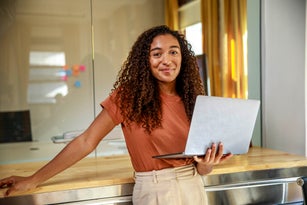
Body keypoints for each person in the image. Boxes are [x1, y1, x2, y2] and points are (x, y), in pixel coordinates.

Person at [0, 25, 233, 204]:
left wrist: (207, 164)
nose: (167, 60)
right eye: (157, 54)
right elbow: (86, 141)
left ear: (182, 57)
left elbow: (200, 167)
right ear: (145, 60)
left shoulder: (193, 101)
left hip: (194, 188)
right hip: (155, 192)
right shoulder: (129, 96)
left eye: (174, 52)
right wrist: (33, 179)